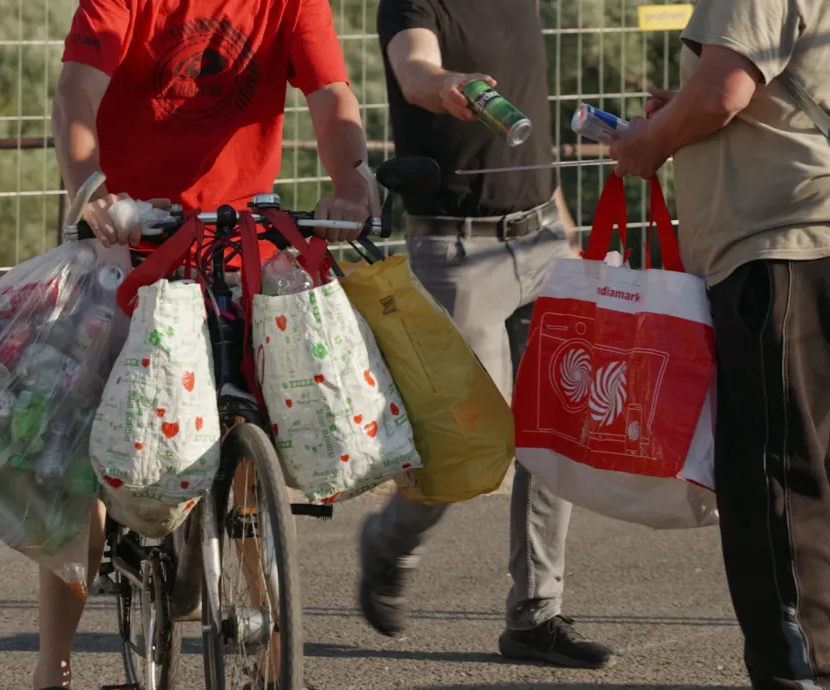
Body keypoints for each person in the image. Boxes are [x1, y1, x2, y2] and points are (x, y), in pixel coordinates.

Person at [43, 0, 376, 687]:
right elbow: (77, 88)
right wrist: (89, 188)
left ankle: (266, 647)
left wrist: (351, 181)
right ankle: (55, 665)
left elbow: (330, 94)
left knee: (264, 415)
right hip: (128, 236)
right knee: (84, 460)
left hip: (237, 239)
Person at [357, 0, 614, 669]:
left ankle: (535, 615)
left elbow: (532, 120)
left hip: (542, 239)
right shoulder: (413, 4)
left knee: (556, 428)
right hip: (456, 252)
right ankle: (390, 542)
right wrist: (445, 85)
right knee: (471, 447)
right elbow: (414, 70)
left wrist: (562, 225)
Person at [609, 1, 830, 687]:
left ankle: (799, 670)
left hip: (778, 242)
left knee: (776, 476)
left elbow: (721, 93)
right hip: (809, 231)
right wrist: (683, 113)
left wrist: (652, 139)